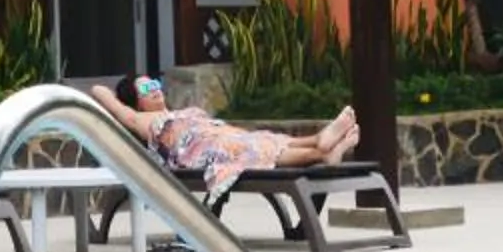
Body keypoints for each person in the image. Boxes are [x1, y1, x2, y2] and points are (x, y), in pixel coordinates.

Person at [89, 74, 363, 200]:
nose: (155, 89)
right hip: (202, 149)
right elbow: (98, 91)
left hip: (218, 136)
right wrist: (121, 94)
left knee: (264, 139)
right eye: (147, 87)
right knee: (251, 149)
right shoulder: (140, 120)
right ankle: (321, 150)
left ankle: (320, 142)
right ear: (135, 100)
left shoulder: (180, 111)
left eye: (156, 83)